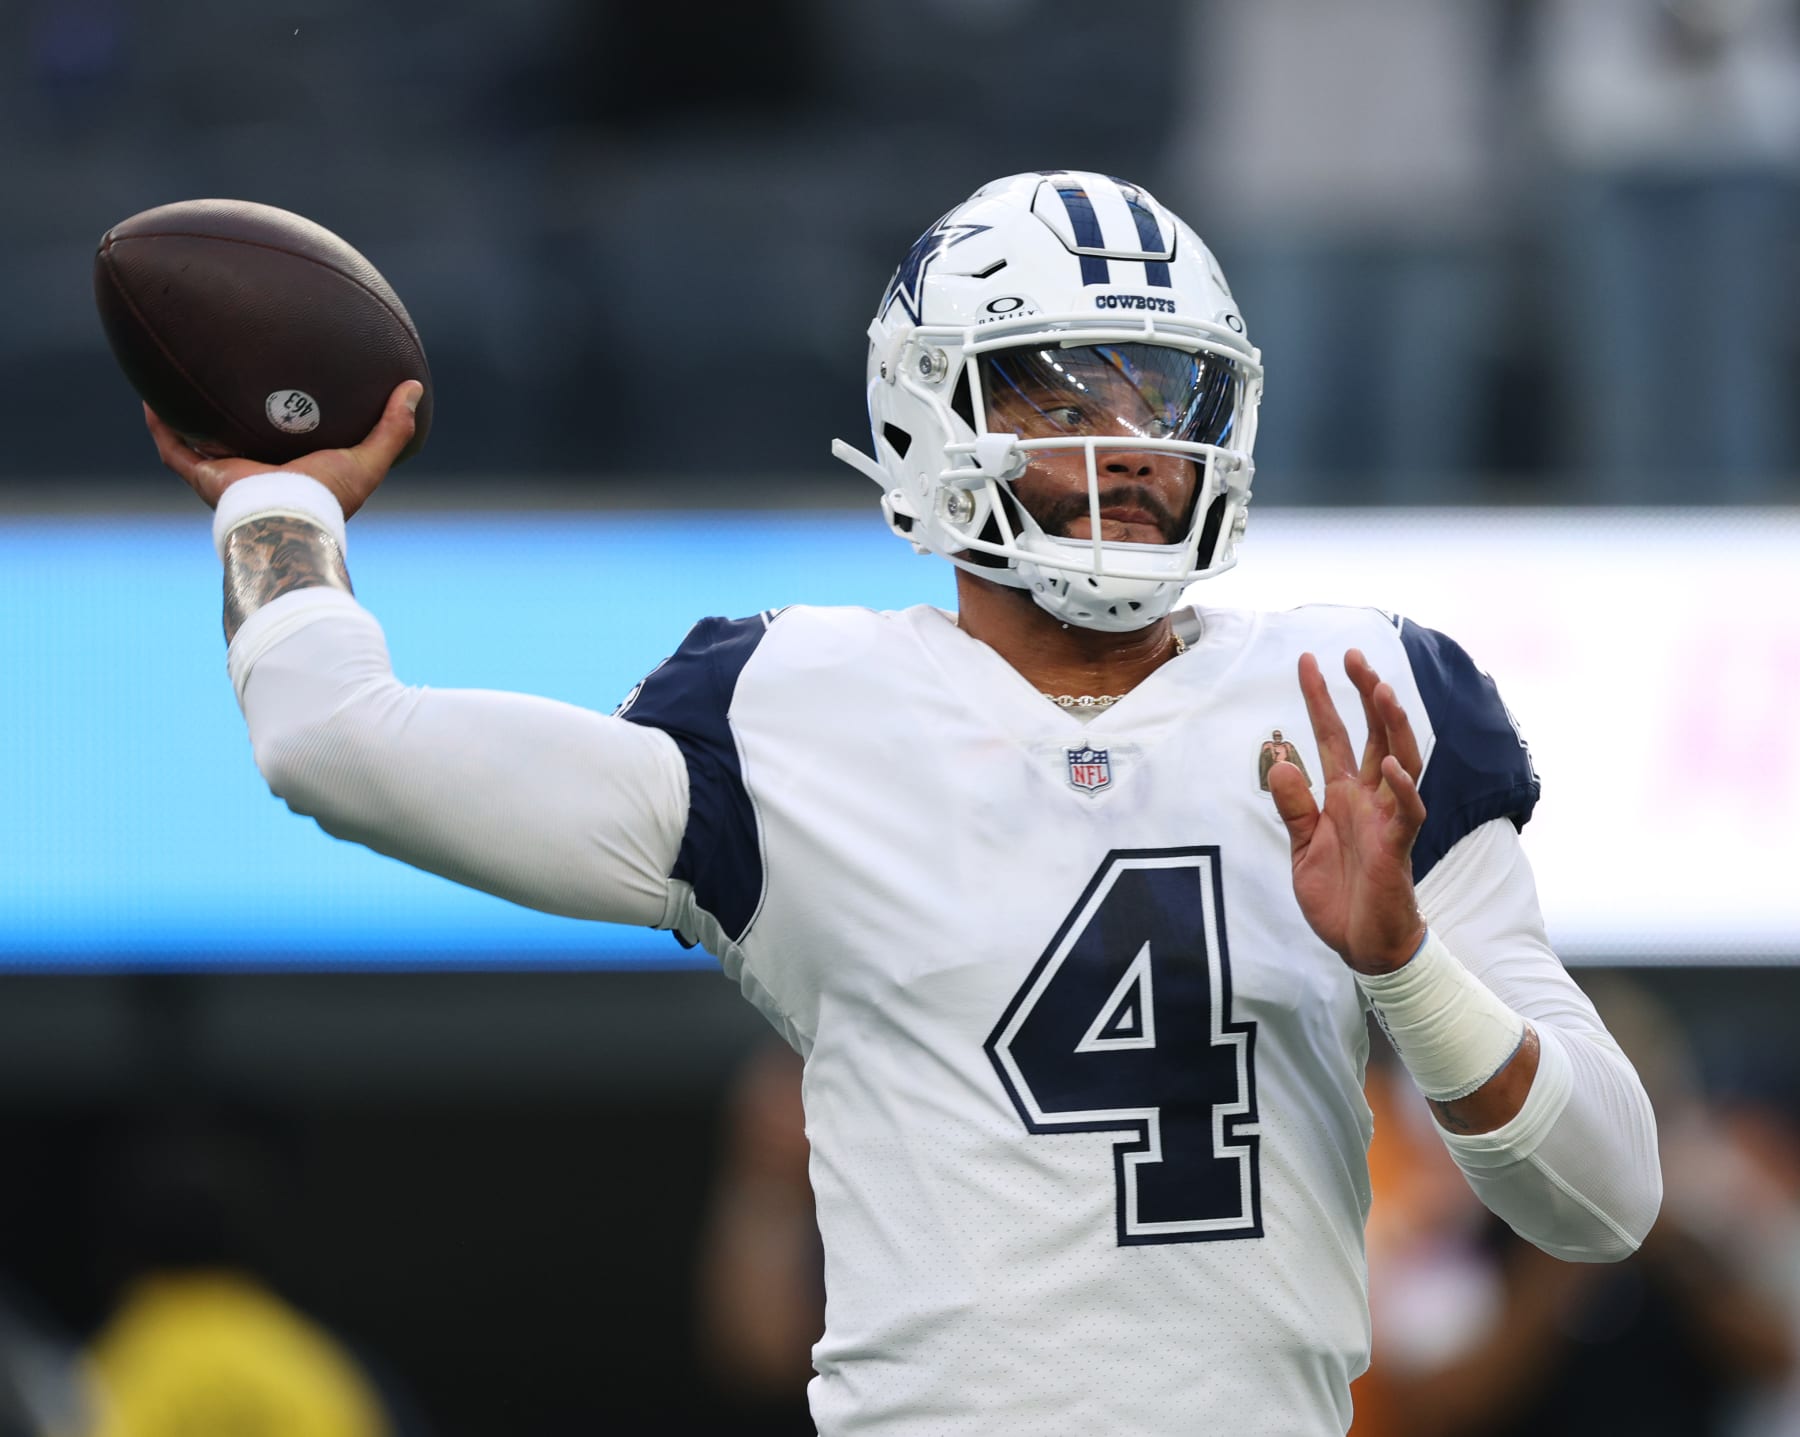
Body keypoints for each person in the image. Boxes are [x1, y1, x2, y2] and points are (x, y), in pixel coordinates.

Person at [144, 171, 1661, 1436]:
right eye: (1067, 383)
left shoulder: (1364, 701)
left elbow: (1606, 1197)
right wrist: (276, 503)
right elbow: (336, 744)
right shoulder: (796, 707)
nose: (1132, 440)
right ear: (933, 414)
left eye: (1170, 388)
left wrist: (1405, 964)